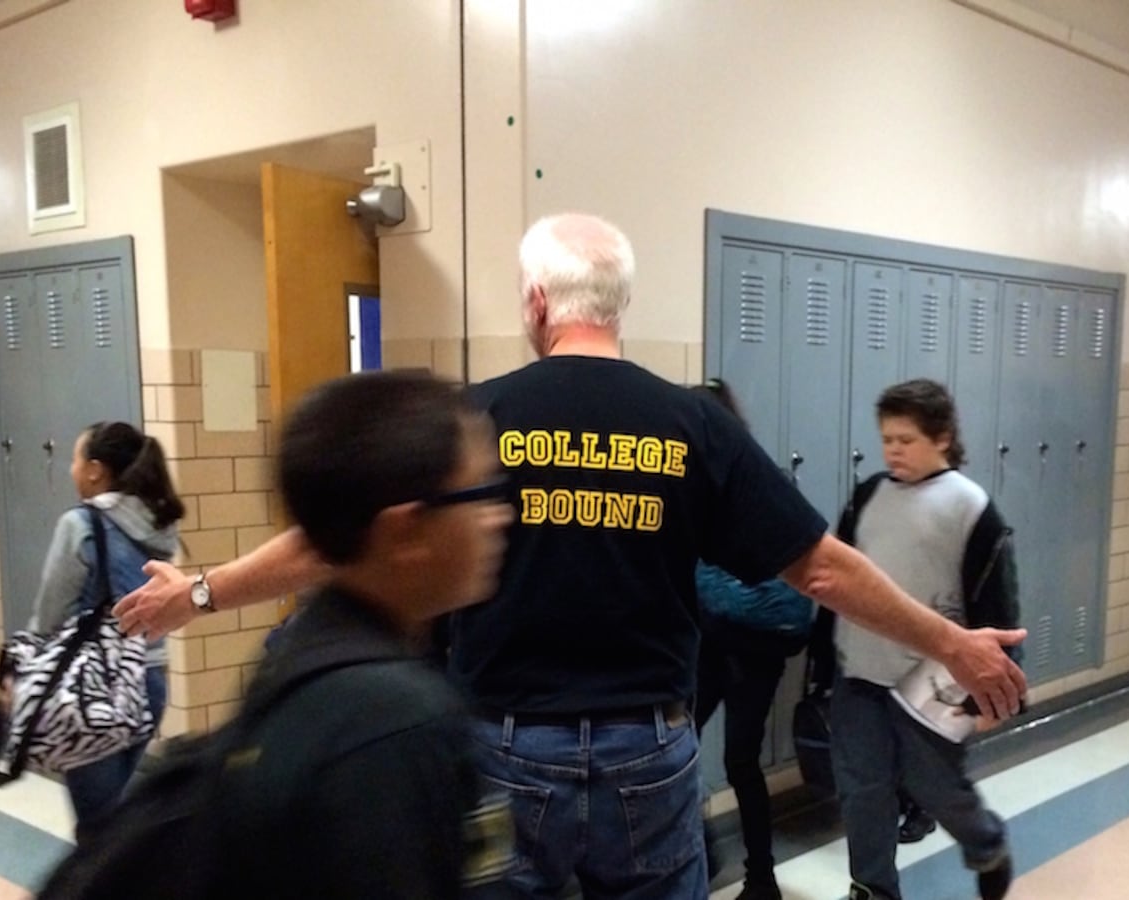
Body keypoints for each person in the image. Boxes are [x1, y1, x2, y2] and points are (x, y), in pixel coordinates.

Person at [114, 213, 1027, 899]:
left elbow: (343, 536)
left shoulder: (477, 417)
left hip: (507, 745)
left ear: (537, 303)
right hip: (652, 750)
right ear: (619, 305)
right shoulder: (693, 424)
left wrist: (201, 591)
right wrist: (952, 645)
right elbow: (820, 568)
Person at [208, 370, 515, 897]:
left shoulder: (300, 653)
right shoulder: (397, 722)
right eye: (479, 493)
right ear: (405, 533)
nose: (500, 516)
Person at [828, 380, 1019, 900]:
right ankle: (872, 889)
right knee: (862, 791)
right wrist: (824, 663)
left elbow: (998, 605)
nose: (892, 450)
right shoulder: (868, 495)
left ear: (942, 438)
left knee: (936, 787)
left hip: (931, 684)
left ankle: (986, 842)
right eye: (887, 438)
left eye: (905, 439)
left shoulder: (971, 508)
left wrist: (999, 687)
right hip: (860, 674)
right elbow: (838, 577)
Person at [690, 379, 814, 900]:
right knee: (695, 748)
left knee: (720, 754)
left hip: (739, 641)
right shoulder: (749, 474)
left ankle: (751, 873)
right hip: (731, 638)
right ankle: (726, 862)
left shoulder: (722, 481)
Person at [30, 421, 184, 843]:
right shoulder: (159, 521)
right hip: (150, 682)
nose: (70, 469)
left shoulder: (80, 524)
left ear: (96, 469)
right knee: (111, 811)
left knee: (97, 830)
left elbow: (50, 614)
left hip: (94, 692)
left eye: (76, 459)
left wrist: (28, 672)